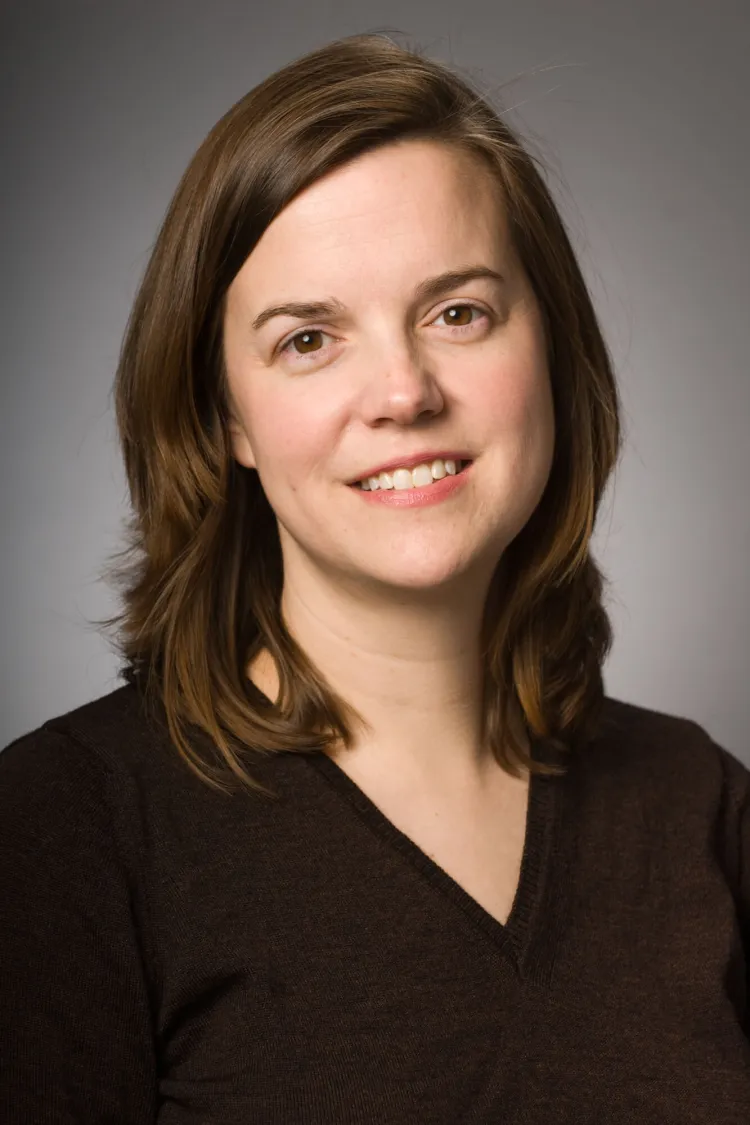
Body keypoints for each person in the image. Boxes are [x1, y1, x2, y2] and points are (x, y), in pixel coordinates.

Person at [1, 31, 748, 1125]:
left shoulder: (700, 804)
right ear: (226, 421)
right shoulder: (67, 829)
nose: (402, 392)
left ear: (551, 351)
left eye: (459, 313)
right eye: (309, 339)